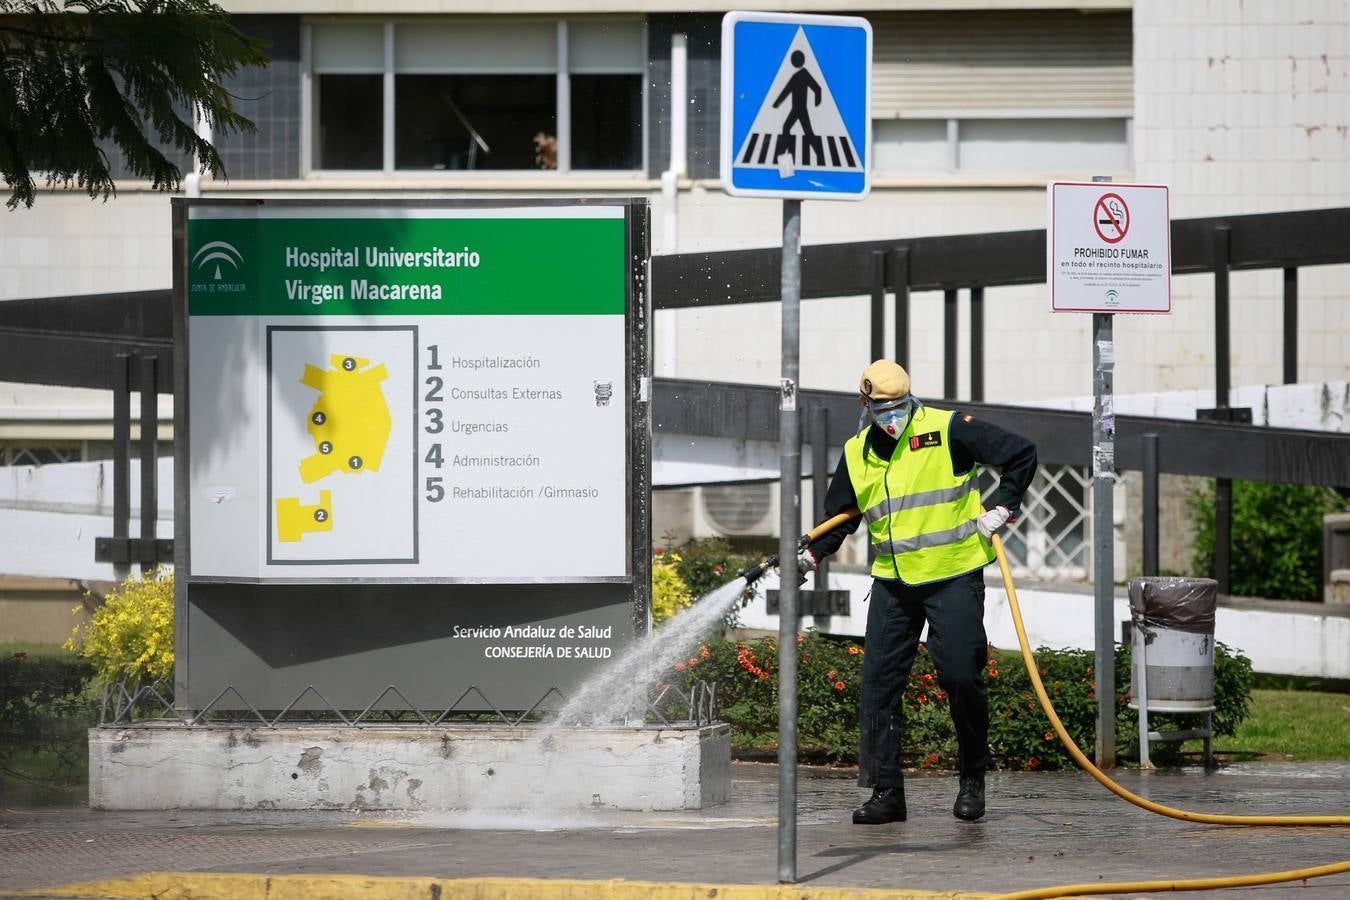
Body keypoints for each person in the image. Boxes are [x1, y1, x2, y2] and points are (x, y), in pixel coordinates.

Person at [797, 359, 1036, 825]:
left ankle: (972, 780)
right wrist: (812, 555)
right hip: (893, 583)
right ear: (864, 404)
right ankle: (887, 794)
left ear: (910, 400)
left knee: (962, 676)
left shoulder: (949, 429)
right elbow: (842, 515)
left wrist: (1004, 507)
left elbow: (1021, 453)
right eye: (881, 407)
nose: (891, 415)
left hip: (953, 573)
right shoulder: (856, 451)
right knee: (879, 687)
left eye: (898, 406)